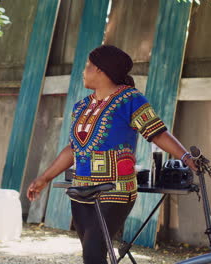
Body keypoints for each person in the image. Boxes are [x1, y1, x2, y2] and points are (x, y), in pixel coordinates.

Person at [26, 45, 196, 264]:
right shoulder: (81, 107)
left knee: (93, 253)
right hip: (81, 190)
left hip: (116, 189)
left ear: (100, 70)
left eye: (88, 66)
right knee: (93, 256)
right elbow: (73, 148)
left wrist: (186, 158)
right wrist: (44, 178)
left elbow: (157, 133)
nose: (83, 71)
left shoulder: (131, 99)